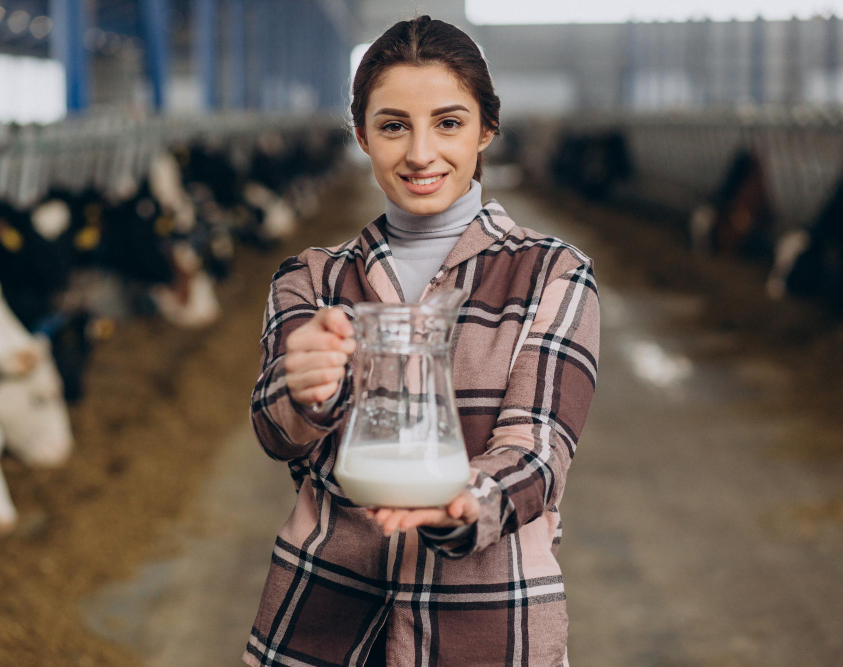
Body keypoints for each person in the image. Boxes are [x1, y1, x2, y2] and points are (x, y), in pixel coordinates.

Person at [243, 15, 599, 667]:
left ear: (487, 128)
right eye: (393, 125)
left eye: (449, 122)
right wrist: (306, 387)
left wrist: (467, 500)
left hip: (491, 622)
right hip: (320, 619)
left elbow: (539, 449)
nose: (420, 154)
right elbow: (275, 430)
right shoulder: (312, 278)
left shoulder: (553, 272)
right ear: (361, 135)